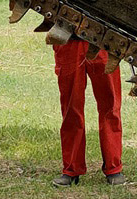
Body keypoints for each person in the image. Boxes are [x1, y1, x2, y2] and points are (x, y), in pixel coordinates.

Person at [52, 37, 124, 186]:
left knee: (110, 105)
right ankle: (71, 169)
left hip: (104, 38)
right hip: (68, 39)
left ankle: (113, 168)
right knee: (71, 107)